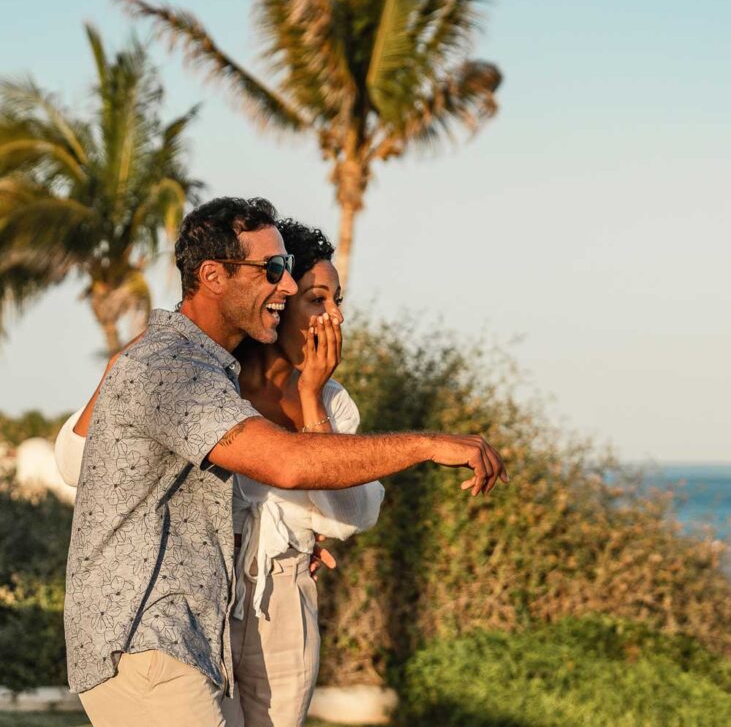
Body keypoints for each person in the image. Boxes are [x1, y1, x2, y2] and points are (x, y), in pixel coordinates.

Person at [63, 196, 508, 727]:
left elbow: (334, 507)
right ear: (214, 275)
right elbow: (284, 464)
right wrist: (429, 444)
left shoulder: (212, 371)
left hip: (211, 615)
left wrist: (309, 411)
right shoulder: (175, 367)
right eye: (277, 273)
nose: (292, 289)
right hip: (147, 627)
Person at [57, 217, 384, 727]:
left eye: (338, 301)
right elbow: (77, 462)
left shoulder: (332, 402)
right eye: (317, 300)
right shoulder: (199, 379)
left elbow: (349, 518)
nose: (334, 317)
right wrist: (137, 353)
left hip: (283, 601)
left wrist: (310, 399)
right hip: (197, 600)